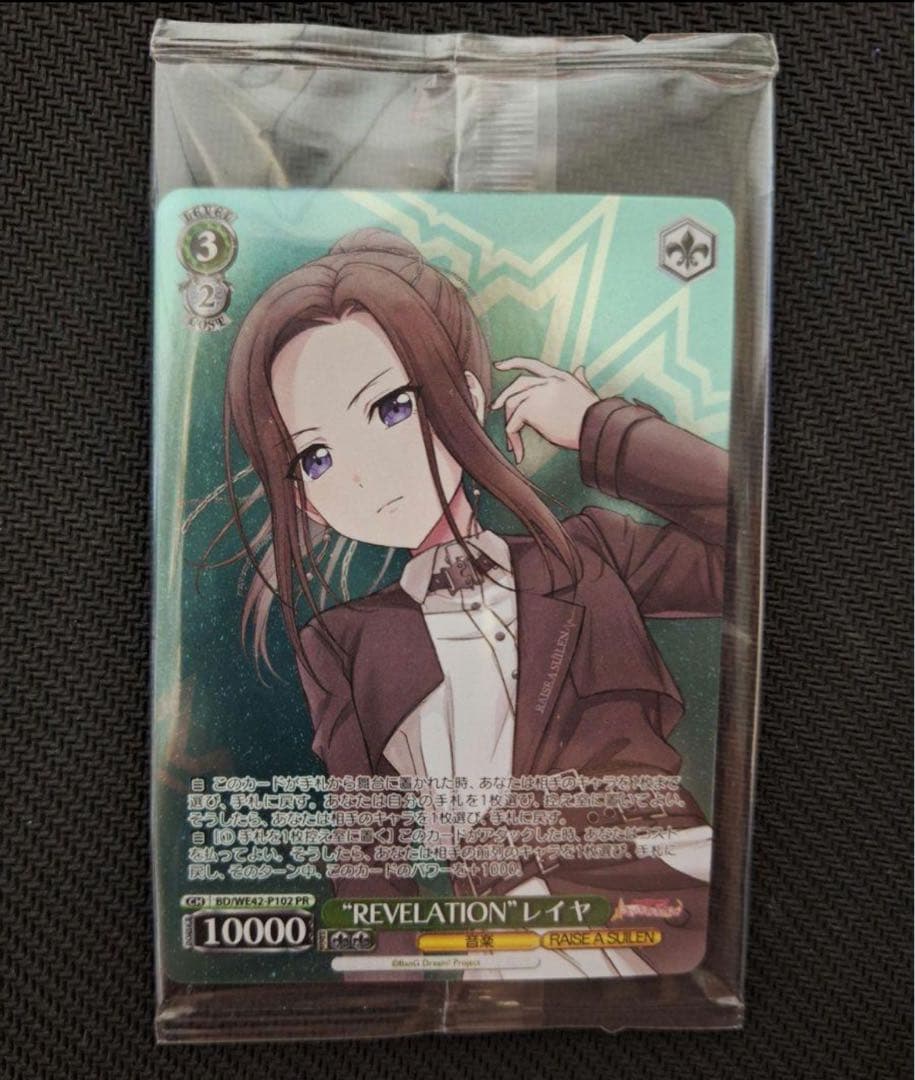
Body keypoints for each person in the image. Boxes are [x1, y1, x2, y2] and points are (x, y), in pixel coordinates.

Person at [223, 228, 727, 977]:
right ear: (302, 495)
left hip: (672, 894)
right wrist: (386, 991)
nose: (361, 473)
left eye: (391, 408)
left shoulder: (586, 554)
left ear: (464, 396)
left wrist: (599, 429)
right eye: (317, 456)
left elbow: (750, 542)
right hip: (514, 936)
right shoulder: (342, 644)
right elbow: (368, 851)